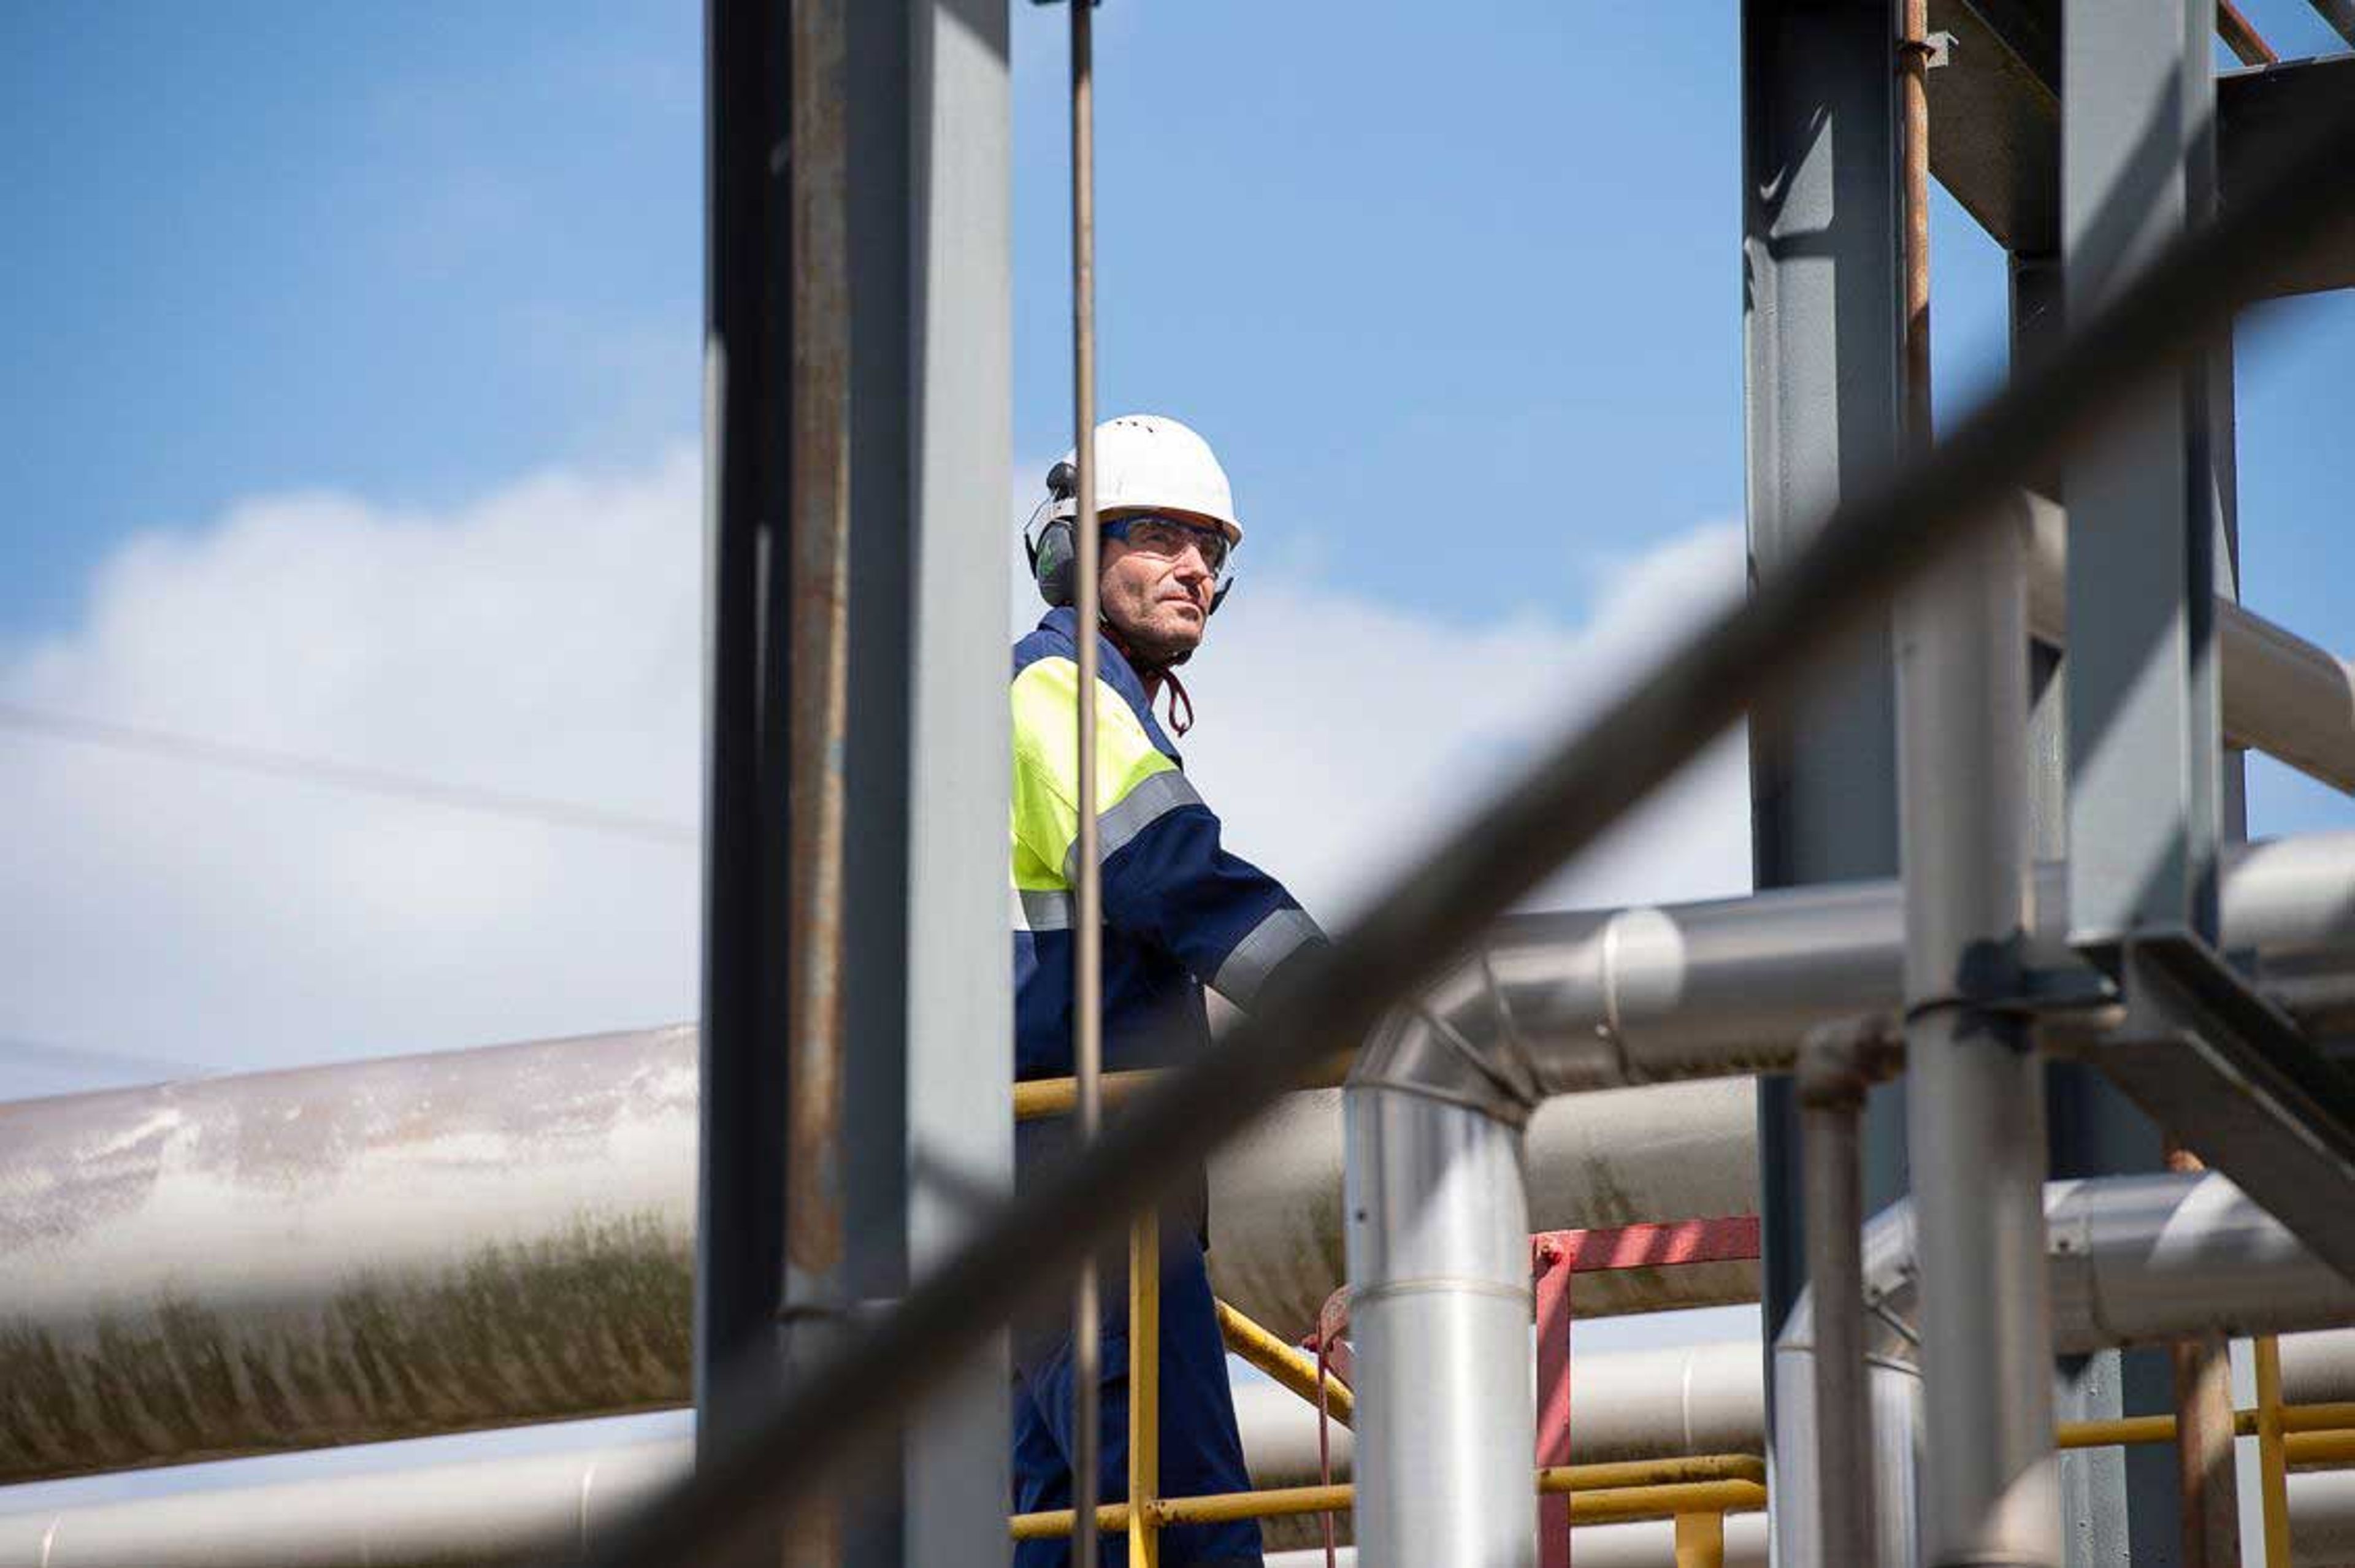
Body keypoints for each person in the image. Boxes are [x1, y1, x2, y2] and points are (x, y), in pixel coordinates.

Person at [1009, 413, 1325, 1567]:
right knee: (1184, 1518)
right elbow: (1173, 873)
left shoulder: (1069, 703)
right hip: (1094, 1188)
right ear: (1070, 554)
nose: (1196, 567)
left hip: (1023, 1205)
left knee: (1060, 1531)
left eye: (1212, 548)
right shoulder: (1056, 692)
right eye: (1158, 535)